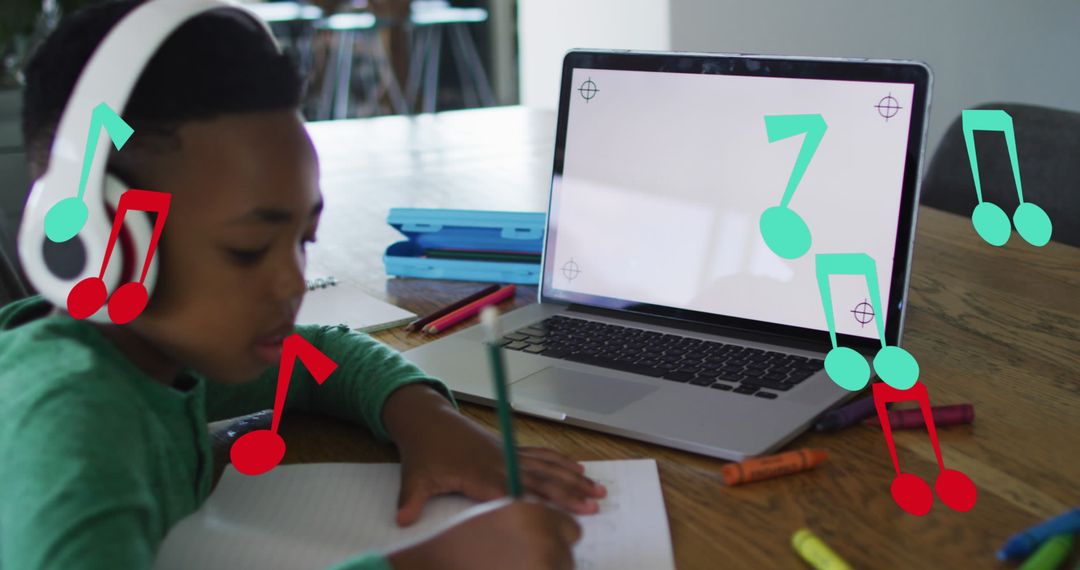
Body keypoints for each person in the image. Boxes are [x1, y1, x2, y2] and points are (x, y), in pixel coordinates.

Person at [0, 2, 604, 568]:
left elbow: (318, 356)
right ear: (99, 240)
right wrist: (427, 562)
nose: (292, 280)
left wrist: (429, 422)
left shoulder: (149, 353)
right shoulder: (66, 428)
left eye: (303, 239)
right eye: (247, 250)